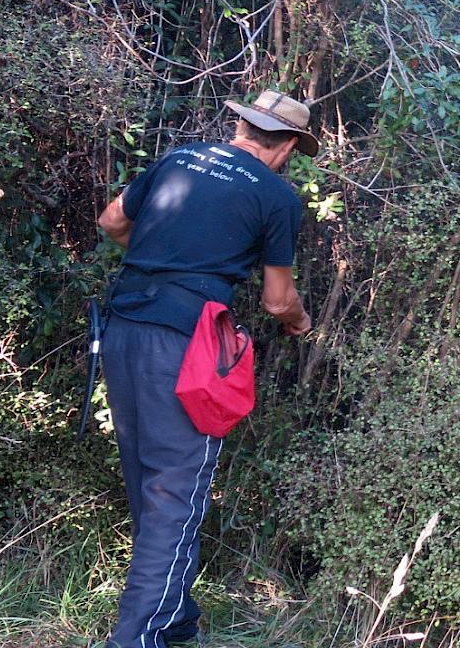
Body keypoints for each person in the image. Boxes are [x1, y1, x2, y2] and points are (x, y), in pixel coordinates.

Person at [95, 90, 318, 647]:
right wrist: (301, 322)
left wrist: (157, 260)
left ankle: (174, 617)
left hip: (122, 329)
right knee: (175, 490)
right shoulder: (276, 197)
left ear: (243, 125)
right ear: (288, 145)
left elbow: (112, 220)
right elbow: (276, 299)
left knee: (149, 479)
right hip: (186, 344)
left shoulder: (176, 159)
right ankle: (137, 638)